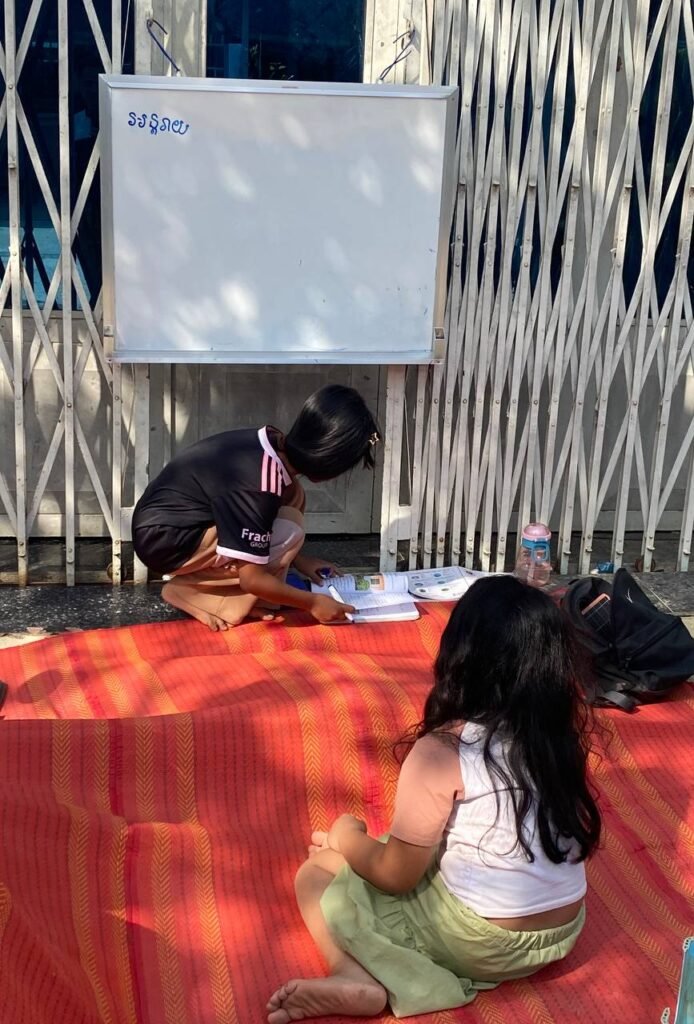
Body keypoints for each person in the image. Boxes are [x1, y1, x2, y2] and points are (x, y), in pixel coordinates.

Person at [267, 576, 602, 1021]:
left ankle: (353, 975)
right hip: (561, 931)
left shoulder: (444, 752)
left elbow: (397, 876)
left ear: (460, 657)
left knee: (317, 871)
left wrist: (347, 839)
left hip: (480, 941)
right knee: (397, 847)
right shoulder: (558, 740)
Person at [132, 385, 379, 630]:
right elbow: (252, 580)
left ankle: (239, 590)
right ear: (329, 464)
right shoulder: (259, 485)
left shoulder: (273, 444)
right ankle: (192, 592)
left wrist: (300, 561)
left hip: (168, 522)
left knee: (292, 496)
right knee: (289, 533)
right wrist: (314, 603)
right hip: (166, 542)